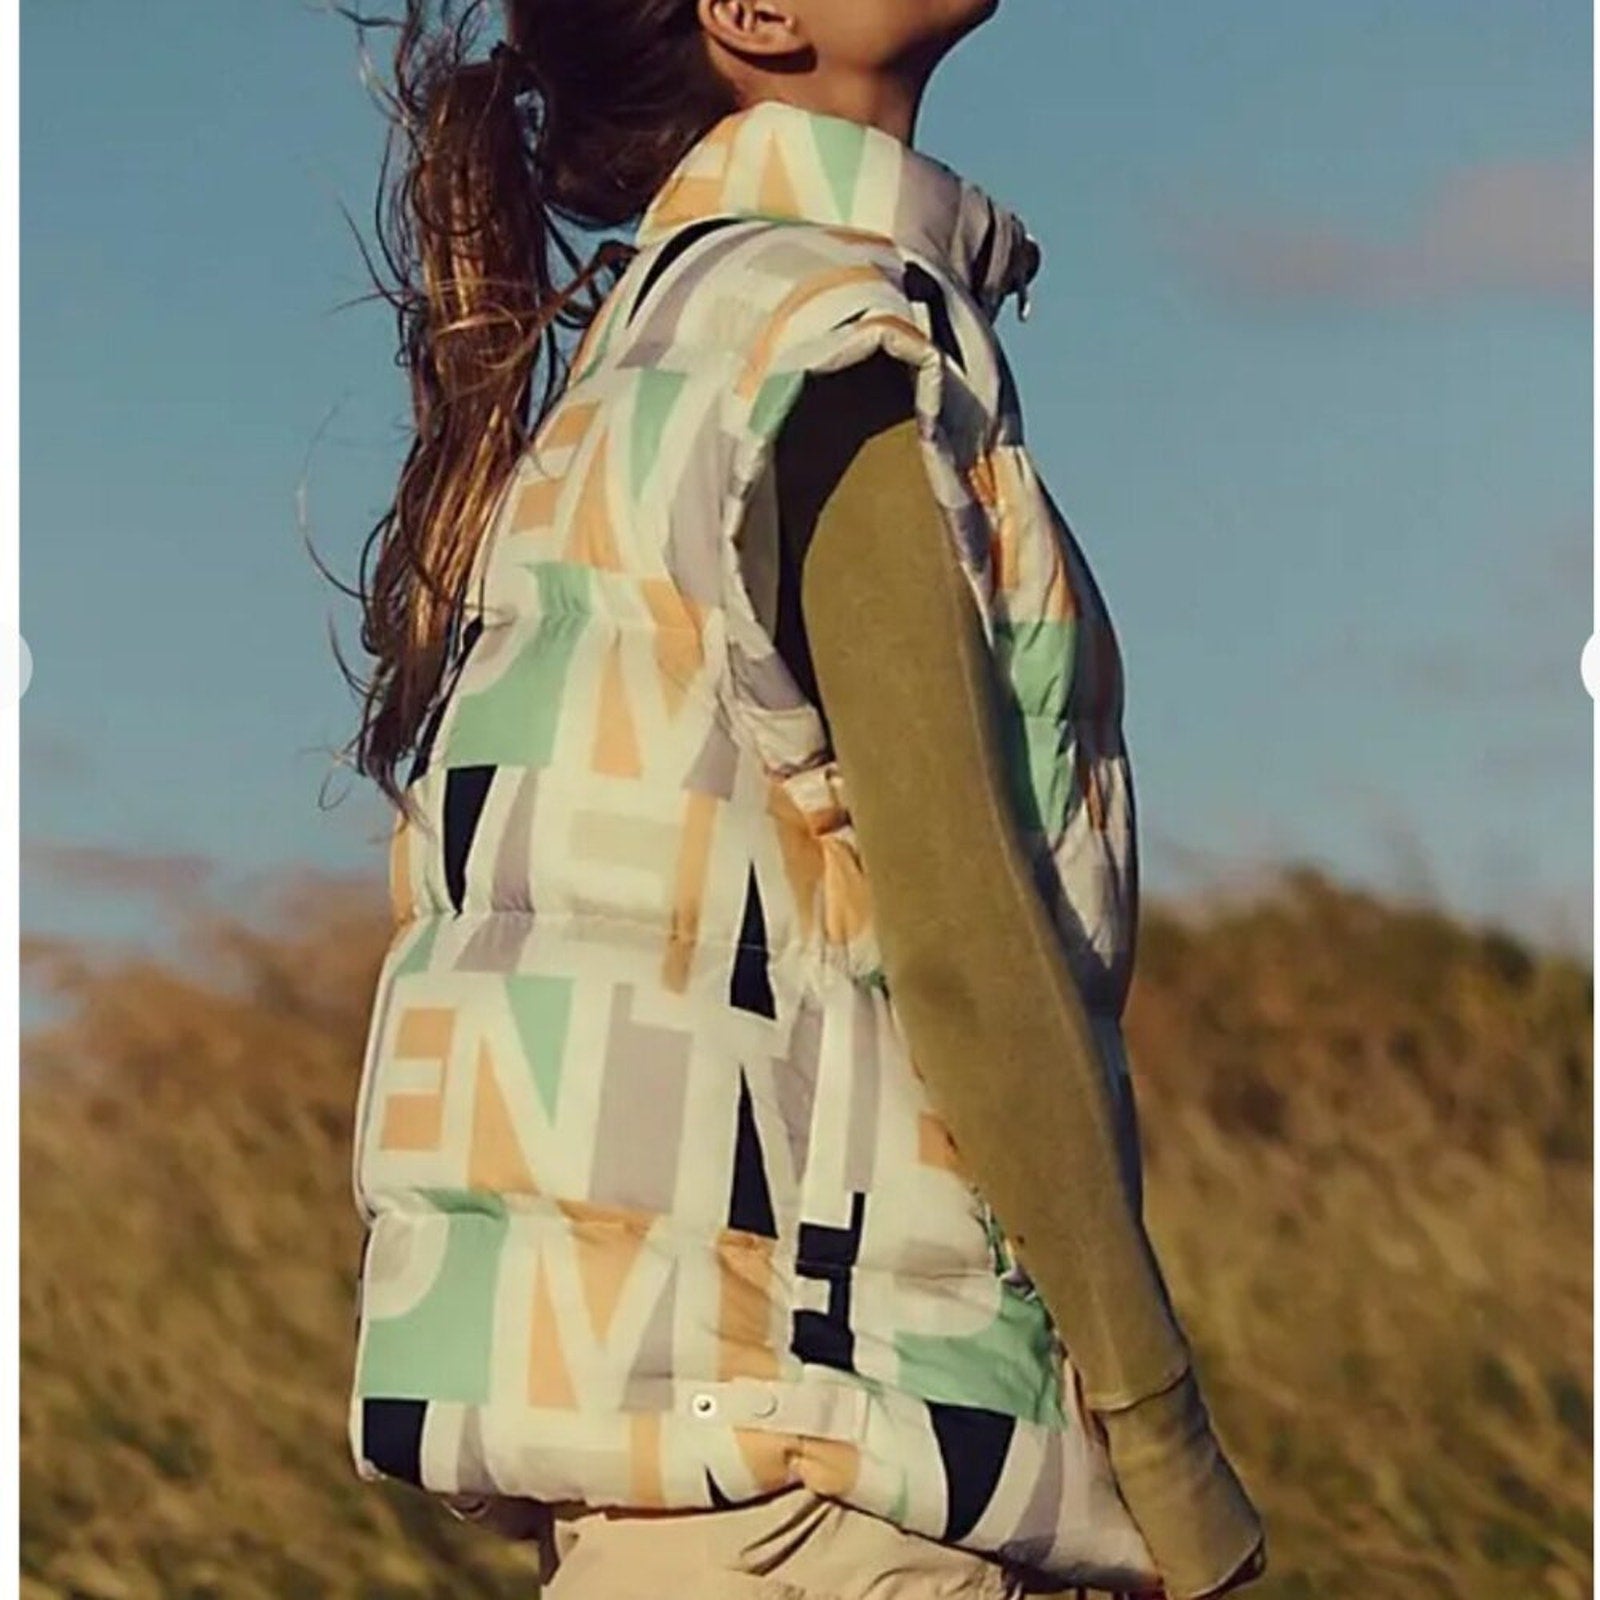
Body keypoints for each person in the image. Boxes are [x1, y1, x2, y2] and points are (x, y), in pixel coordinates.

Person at [341, 3, 1268, 1597]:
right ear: (754, 16)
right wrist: (1166, 1449)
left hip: (701, 1497)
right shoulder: (820, 340)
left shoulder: (679, 342)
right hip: (829, 1490)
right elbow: (964, 938)